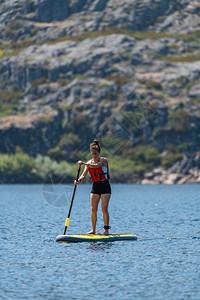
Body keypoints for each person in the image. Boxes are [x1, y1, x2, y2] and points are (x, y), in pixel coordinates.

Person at [75, 139, 111, 235]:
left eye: (95, 153)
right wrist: (78, 180)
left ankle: (106, 230)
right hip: (95, 187)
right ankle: (93, 230)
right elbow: (83, 175)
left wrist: (84, 163)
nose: (94, 155)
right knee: (93, 209)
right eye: (92, 153)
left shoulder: (103, 160)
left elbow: (96, 166)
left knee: (104, 208)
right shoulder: (89, 162)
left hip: (105, 186)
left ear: (99, 153)